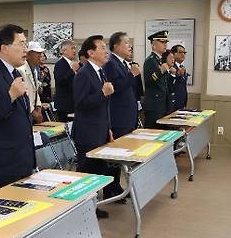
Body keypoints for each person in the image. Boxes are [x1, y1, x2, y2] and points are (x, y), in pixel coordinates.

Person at [0, 24, 36, 194]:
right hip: (1, 162)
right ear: (4, 48)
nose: (26, 49)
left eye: (26, 43)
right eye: (21, 44)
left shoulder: (15, 73)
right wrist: (10, 96)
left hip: (19, 159)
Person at [72, 35, 114, 219]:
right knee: (86, 173)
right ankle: (80, 210)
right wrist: (102, 93)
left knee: (98, 172)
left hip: (100, 130)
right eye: (102, 48)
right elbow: (80, 104)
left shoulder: (100, 72)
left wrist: (109, 128)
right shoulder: (83, 73)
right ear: (90, 52)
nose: (106, 51)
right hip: (87, 133)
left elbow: (104, 106)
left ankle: (92, 207)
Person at [102, 32, 140, 200]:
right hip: (118, 117)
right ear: (116, 46)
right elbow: (115, 88)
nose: (130, 46)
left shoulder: (124, 64)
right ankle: (111, 188)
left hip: (128, 115)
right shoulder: (111, 64)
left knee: (122, 155)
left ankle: (117, 186)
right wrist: (131, 75)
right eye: (126, 43)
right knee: (115, 156)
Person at [143, 30, 171, 128]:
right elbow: (148, 80)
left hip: (161, 104)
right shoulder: (150, 61)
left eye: (165, 42)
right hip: (154, 105)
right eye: (162, 42)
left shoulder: (159, 60)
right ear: (153, 45)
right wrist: (161, 71)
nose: (165, 45)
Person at [17, 40, 45, 124]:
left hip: (33, 112)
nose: (40, 56)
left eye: (40, 53)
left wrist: (39, 107)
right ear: (28, 54)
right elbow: (22, 95)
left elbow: (35, 91)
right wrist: (33, 112)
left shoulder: (35, 70)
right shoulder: (20, 70)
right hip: (25, 112)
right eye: (37, 53)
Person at [53, 40, 79, 122]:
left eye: (75, 48)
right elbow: (61, 81)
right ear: (64, 51)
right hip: (64, 105)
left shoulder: (74, 63)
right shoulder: (59, 64)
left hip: (74, 103)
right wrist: (72, 71)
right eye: (72, 48)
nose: (74, 51)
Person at [170, 44, 189, 109]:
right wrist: (177, 74)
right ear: (173, 54)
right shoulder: (171, 67)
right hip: (173, 103)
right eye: (180, 52)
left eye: (184, 53)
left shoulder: (182, 67)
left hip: (182, 102)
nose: (183, 54)